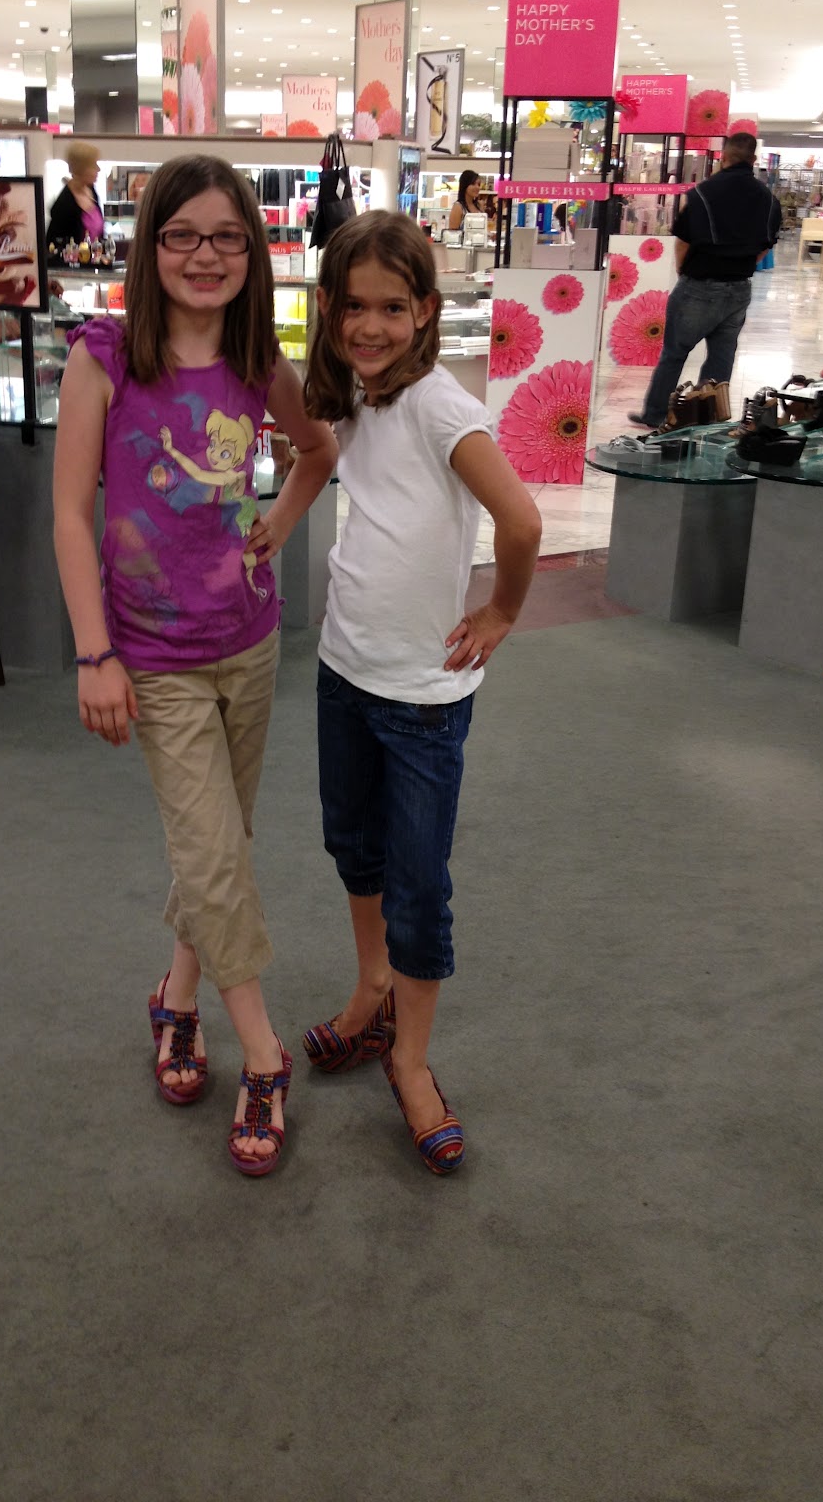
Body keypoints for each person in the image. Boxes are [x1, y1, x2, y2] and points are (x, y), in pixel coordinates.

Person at [53, 154, 338, 1176]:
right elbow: (70, 514)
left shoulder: (259, 362)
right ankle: (263, 1054)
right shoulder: (103, 358)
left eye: (226, 237)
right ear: (151, 246)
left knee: (217, 844)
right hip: (155, 654)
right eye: (182, 235)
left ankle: (175, 1000)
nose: (205, 256)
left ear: (252, 251)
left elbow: (318, 450)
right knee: (214, 854)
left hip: (248, 644)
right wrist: (94, 652)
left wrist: (278, 525)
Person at [300, 211, 543, 1174]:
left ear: (427, 311)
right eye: (354, 307)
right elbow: (330, 467)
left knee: (418, 884)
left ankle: (410, 1057)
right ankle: (372, 993)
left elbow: (520, 519)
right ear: (330, 309)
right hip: (344, 668)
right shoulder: (355, 395)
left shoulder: (441, 405)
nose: (371, 326)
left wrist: (502, 611)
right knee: (352, 845)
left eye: (393, 308)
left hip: (421, 699)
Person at [630, 132, 782, 430]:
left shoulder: (702, 193)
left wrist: (682, 271)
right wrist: (742, 265)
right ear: (753, 160)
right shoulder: (769, 200)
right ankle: (706, 417)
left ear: (723, 157)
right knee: (721, 357)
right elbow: (767, 244)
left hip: (699, 283)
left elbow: (683, 241)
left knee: (675, 353)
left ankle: (657, 414)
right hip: (739, 289)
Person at [46, 140, 104, 251]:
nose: (98, 169)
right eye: (94, 165)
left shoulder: (92, 191)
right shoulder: (64, 204)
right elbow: (55, 246)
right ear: (81, 169)